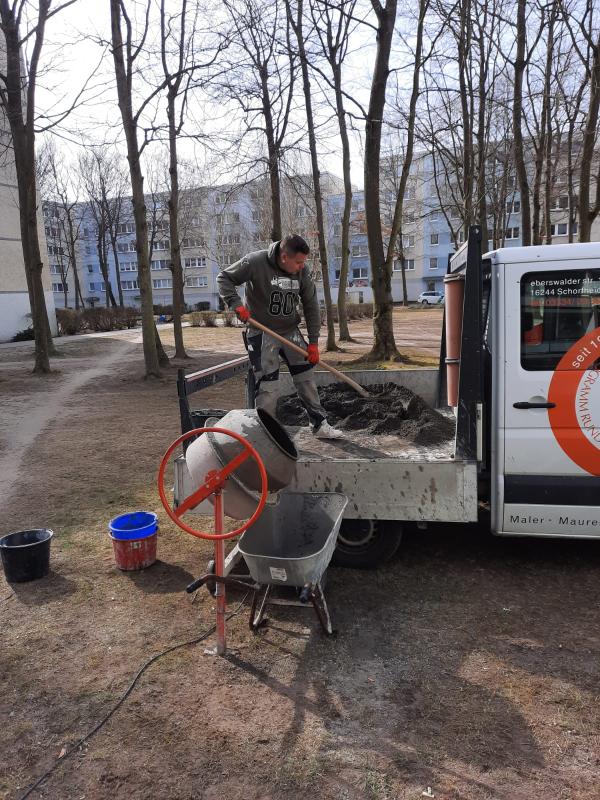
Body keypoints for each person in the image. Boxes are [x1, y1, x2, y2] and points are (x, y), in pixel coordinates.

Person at [217, 234, 344, 439]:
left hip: (290, 331)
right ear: (284, 257)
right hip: (262, 332)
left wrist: (313, 343)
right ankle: (266, 435)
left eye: (303, 262)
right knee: (267, 386)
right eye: (299, 262)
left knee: (305, 377)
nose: (302, 266)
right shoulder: (255, 262)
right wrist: (236, 304)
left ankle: (319, 425)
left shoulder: (302, 272)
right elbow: (224, 278)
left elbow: (311, 304)